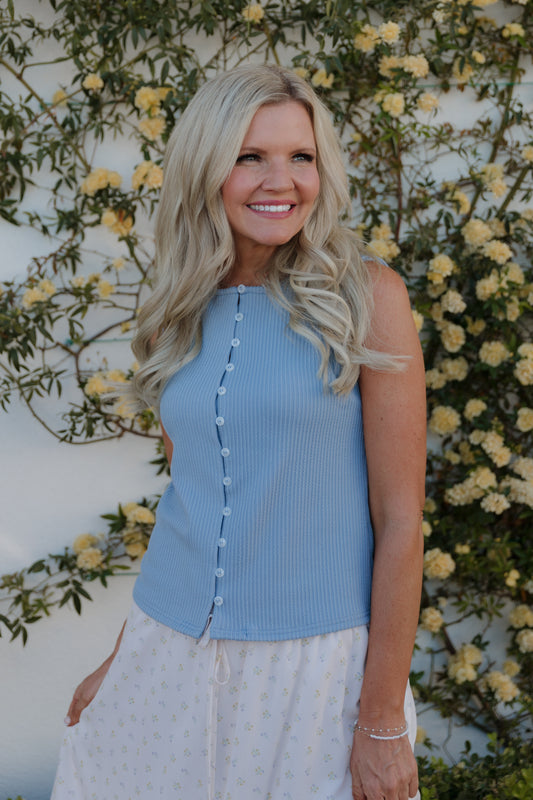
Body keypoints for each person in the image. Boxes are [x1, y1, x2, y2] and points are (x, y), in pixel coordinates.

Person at [52, 64, 426, 800]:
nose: (278, 180)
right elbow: (190, 505)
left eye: (300, 157)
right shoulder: (175, 308)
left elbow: (401, 521)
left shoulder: (369, 297)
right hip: (168, 656)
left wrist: (381, 720)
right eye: (249, 156)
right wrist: (124, 658)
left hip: (312, 673)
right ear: (207, 167)